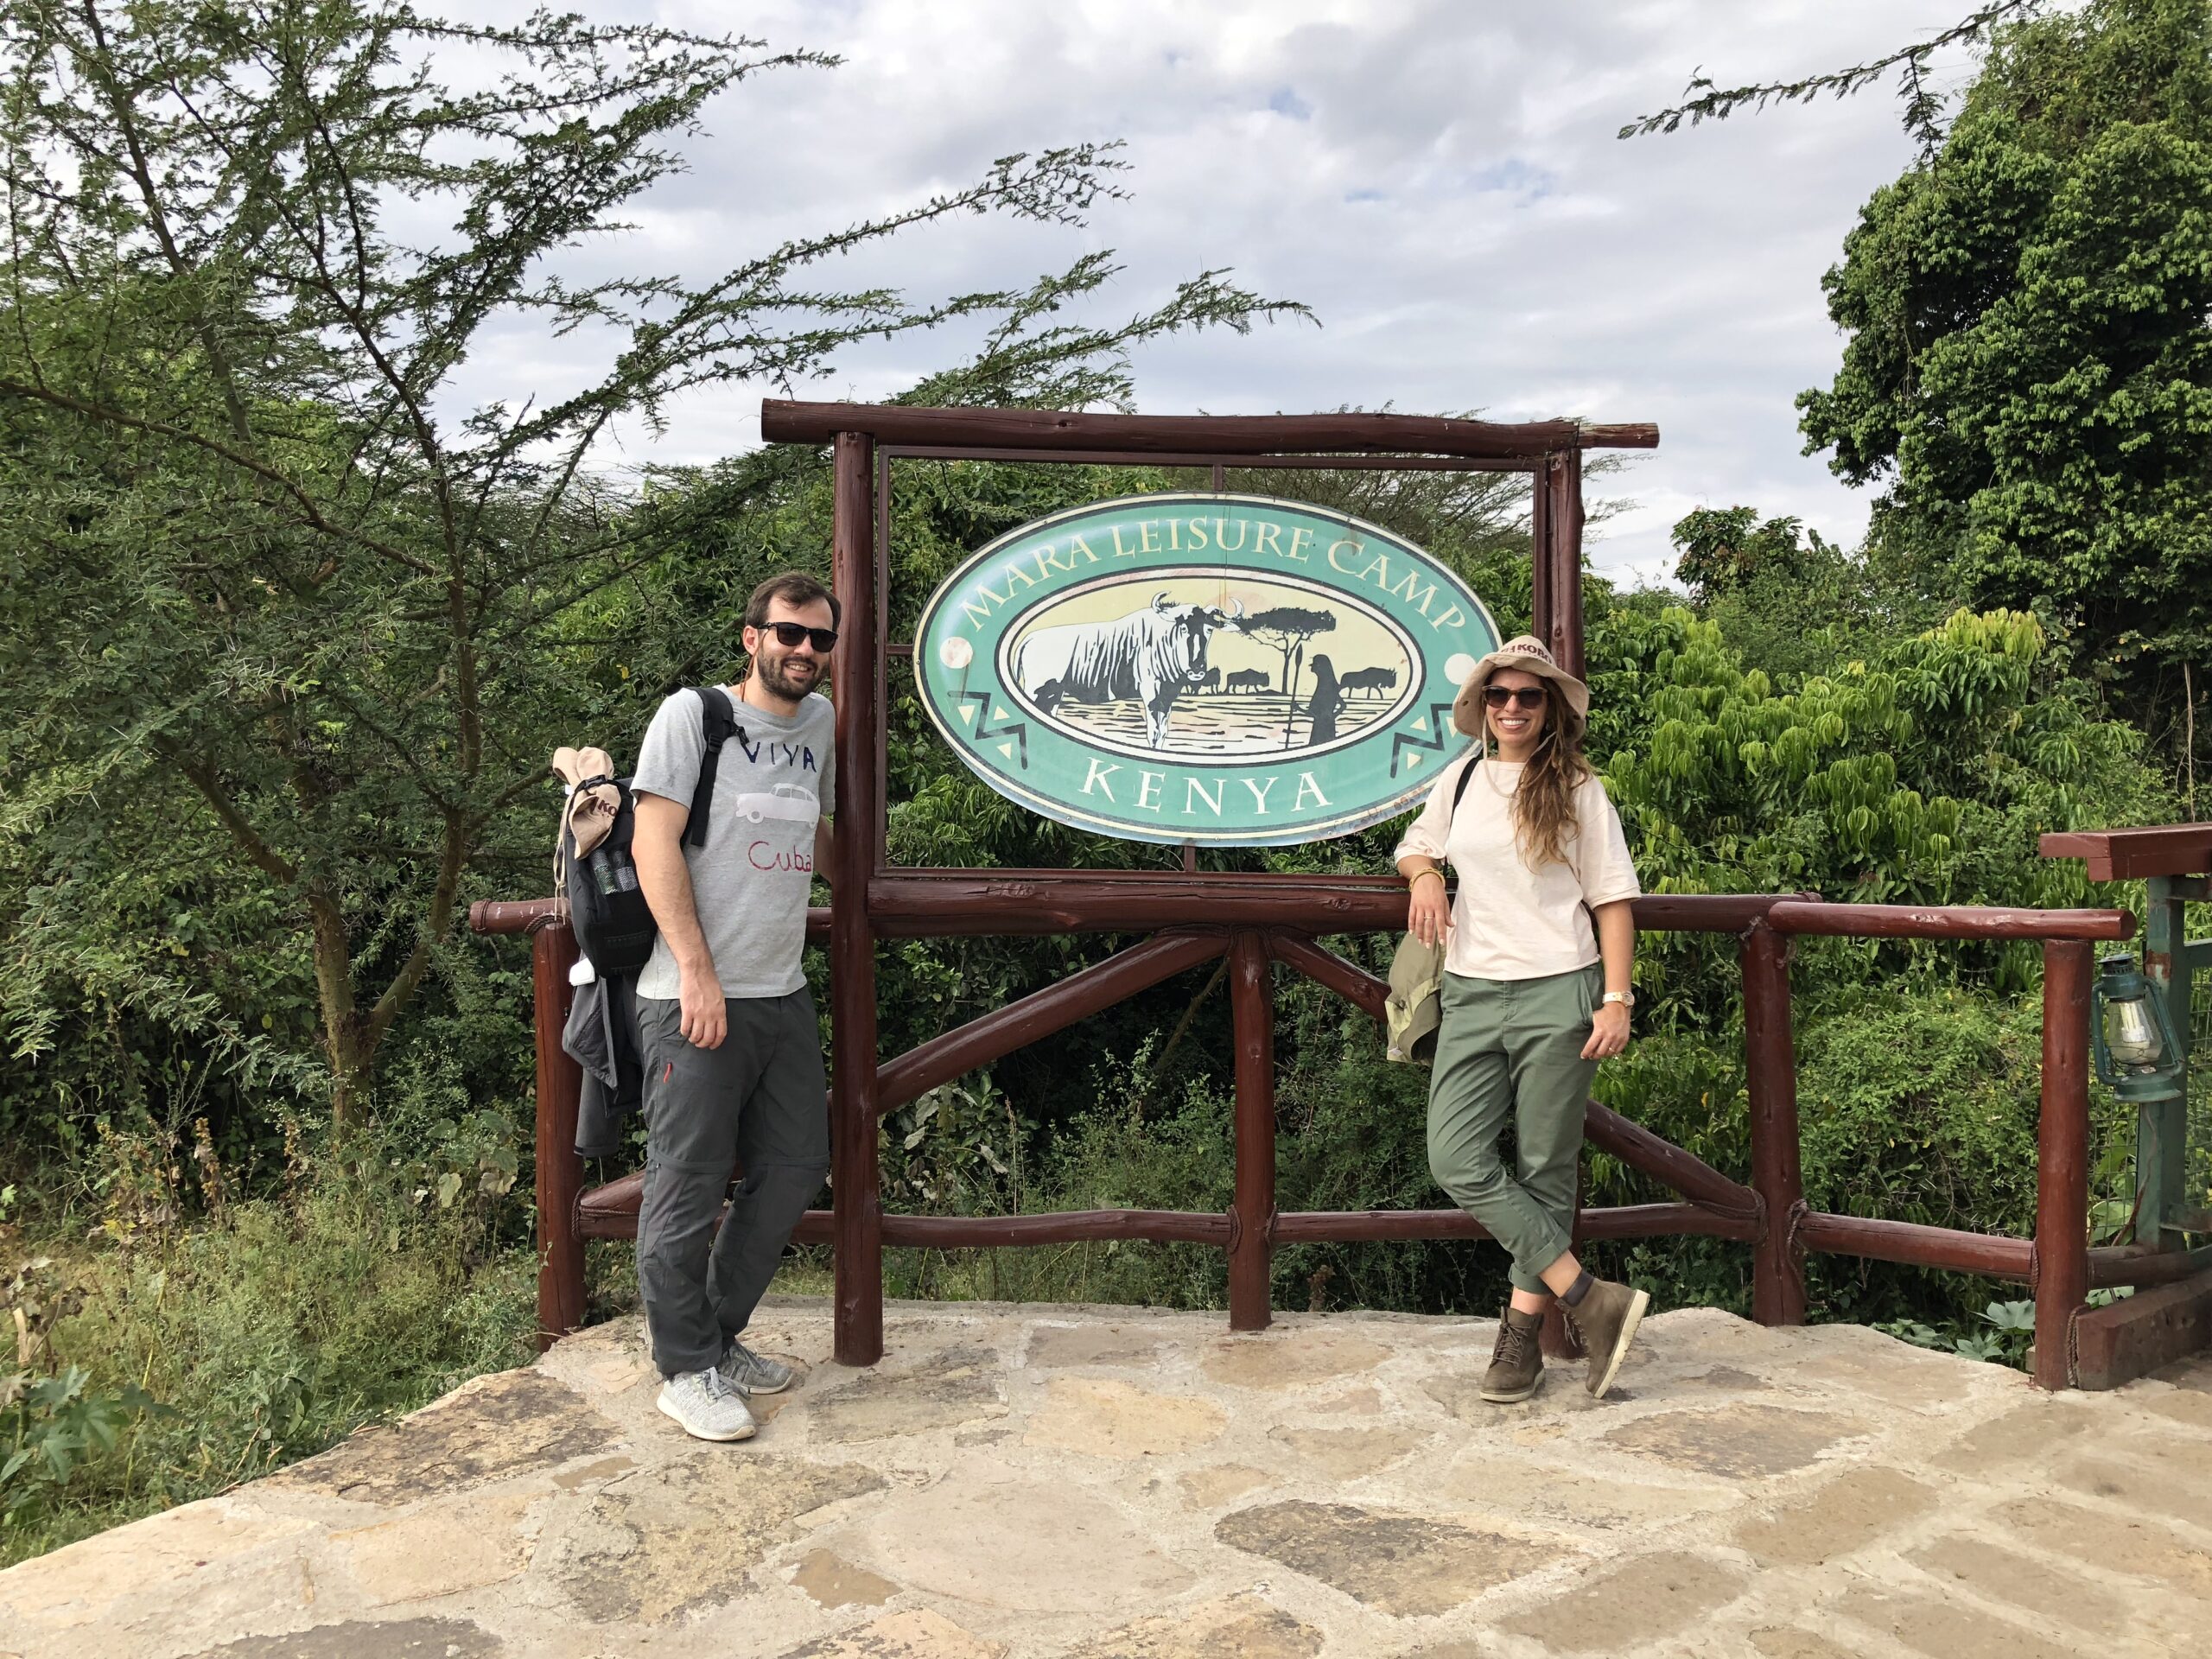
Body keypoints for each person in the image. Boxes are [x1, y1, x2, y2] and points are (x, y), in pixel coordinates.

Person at [1393, 635, 1649, 1403]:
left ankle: (1520, 1340)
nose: (1511, 707)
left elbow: (1612, 899)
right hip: (1471, 991)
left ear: (1549, 709)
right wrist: (1426, 874)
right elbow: (1414, 845)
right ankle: (1590, 1298)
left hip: (1558, 991)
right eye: (1498, 695)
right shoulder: (1464, 777)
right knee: (1454, 1157)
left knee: (1545, 1168)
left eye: (1527, 696)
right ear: (1481, 705)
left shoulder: (1578, 788)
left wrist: (1617, 998)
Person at [629, 571, 840, 1441]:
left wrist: (876, 882)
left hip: (782, 991)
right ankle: (684, 1370)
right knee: (686, 1185)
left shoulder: (819, 724)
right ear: (752, 637)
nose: (804, 650)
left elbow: (814, 830)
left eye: (820, 639)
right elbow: (651, 839)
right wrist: (696, 971)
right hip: (694, 998)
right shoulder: (694, 717)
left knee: (795, 1168)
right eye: (789, 633)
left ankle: (712, 1339)